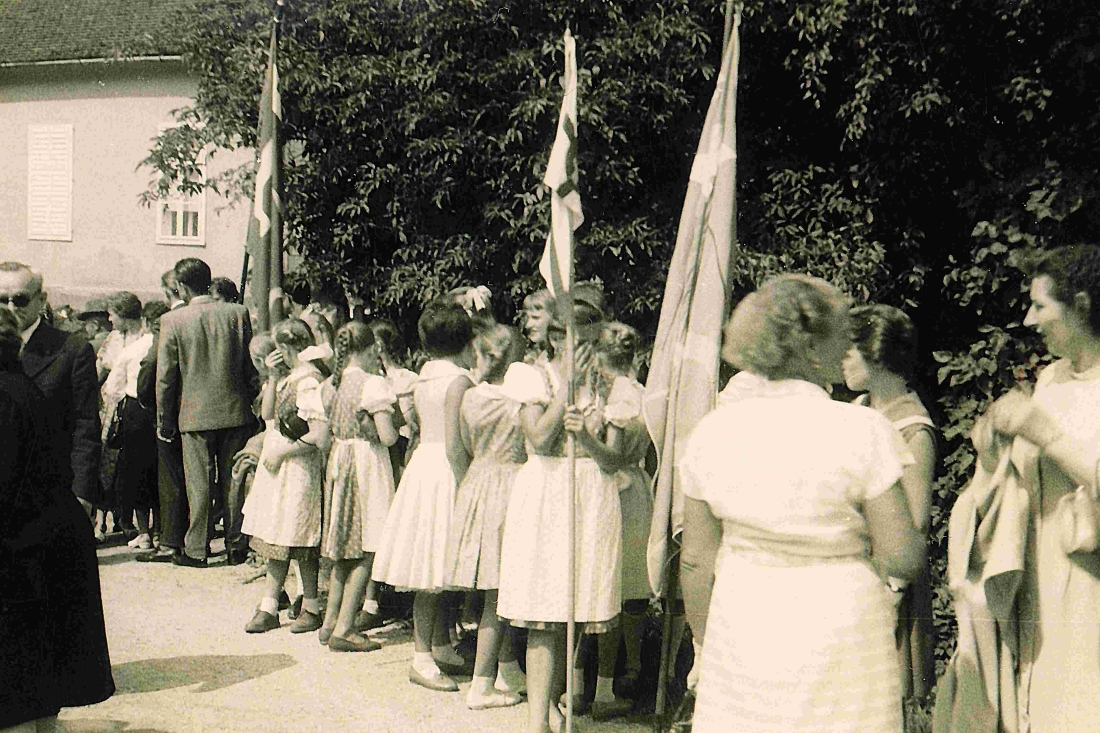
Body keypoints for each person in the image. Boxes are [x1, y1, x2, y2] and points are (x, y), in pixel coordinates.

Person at [679, 273, 924, 733]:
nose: (845, 346)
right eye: (839, 335)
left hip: (744, 616)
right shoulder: (862, 429)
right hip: (840, 619)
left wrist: (705, 641)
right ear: (811, 348)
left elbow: (694, 560)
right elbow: (903, 554)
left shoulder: (711, 433)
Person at [952, 245, 1100, 732]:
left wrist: (1045, 434)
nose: (1029, 319)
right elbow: (1020, 478)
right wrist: (994, 446)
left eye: (1041, 306)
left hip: (1091, 585)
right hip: (1042, 572)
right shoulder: (1052, 379)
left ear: (1080, 303)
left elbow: (1058, 447)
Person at [498, 301, 622, 733]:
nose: (588, 353)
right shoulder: (531, 376)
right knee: (544, 608)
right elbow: (538, 436)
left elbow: (613, 459)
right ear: (555, 339)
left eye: (593, 343)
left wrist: (586, 434)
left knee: (575, 608)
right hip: (549, 493)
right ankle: (536, 723)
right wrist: (566, 385)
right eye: (580, 344)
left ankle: (551, 703)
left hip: (591, 495)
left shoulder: (607, 386)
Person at [0, 308, 114, 732]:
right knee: (38, 692)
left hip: (21, 551)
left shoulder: (7, 396)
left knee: (16, 697)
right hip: (41, 541)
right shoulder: (21, 388)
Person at [372, 300, 476, 692]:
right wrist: (470, 487)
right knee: (433, 570)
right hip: (446, 471)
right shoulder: (459, 381)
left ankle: (440, 644)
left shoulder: (424, 377)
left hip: (424, 467)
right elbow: (455, 444)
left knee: (440, 565)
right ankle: (422, 657)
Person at [843, 303, 938, 704]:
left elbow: (915, 523)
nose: (841, 360)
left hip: (887, 586)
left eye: (849, 351)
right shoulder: (856, 411)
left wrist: (890, 594)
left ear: (876, 354)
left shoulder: (914, 429)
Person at [563, 321, 653, 719]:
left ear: (600, 358)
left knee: (609, 585)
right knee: (614, 586)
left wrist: (582, 437)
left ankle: (598, 686)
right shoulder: (637, 392)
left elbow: (612, 457)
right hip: (631, 486)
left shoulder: (621, 396)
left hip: (620, 492)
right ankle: (600, 680)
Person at [442, 324, 528, 709]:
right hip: (512, 486)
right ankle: (481, 682)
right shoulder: (518, 402)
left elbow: (461, 448)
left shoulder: (472, 399)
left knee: (494, 585)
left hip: (477, 482)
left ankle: (506, 666)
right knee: (501, 592)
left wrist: (469, 488)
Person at [156, 258, 256, 567]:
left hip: (194, 414)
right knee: (233, 482)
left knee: (198, 484)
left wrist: (165, 419)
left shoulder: (173, 321)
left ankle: (197, 549)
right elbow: (250, 366)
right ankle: (236, 544)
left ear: (181, 287)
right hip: (236, 410)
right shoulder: (238, 314)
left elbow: (165, 377)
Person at [241, 319, 329, 634]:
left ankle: (293, 605)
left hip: (298, 468)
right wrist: (273, 376)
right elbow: (267, 414)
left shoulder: (308, 382)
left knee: (297, 534)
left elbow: (319, 434)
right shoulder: (289, 378)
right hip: (281, 470)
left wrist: (281, 452)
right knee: (280, 533)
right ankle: (291, 604)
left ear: (288, 347)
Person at [317, 322, 398, 651]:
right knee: (368, 546)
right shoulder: (373, 384)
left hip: (340, 459)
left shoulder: (329, 385)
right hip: (366, 465)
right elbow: (388, 436)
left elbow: (324, 438)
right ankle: (346, 628)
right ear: (367, 351)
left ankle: (330, 622)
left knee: (344, 548)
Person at [0, 263, 101, 516]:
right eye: (2, 300)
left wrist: (82, 493)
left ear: (41, 300)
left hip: (45, 494)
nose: (11, 308)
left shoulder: (71, 350)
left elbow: (85, 425)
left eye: (20, 300)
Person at [134, 287, 189, 564]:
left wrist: (147, 401)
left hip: (170, 412)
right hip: (199, 412)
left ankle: (170, 542)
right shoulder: (199, 315)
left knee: (170, 480)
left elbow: (154, 368)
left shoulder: (169, 322)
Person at [95, 292, 147, 539]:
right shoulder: (112, 340)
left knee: (130, 465)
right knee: (107, 463)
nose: (110, 319)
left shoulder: (147, 337)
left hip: (134, 408)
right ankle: (103, 520)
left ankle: (126, 518)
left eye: (113, 314)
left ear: (125, 315)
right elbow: (100, 372)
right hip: (111, 408)